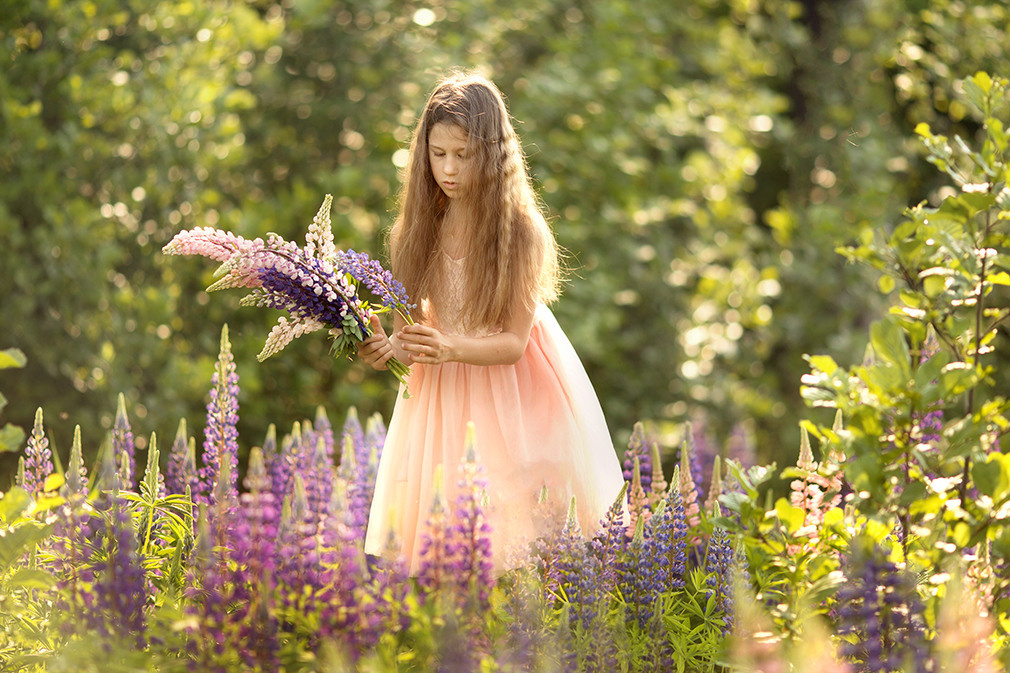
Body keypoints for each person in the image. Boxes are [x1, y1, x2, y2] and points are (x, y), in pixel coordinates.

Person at [359, 70, 623, 573]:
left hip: (513, 393)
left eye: (464, 154)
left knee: (515, 537)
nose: (449, 168)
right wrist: (384, 348)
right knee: (445, 536)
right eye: (438, 154)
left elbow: (513, 343)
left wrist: (449, 347)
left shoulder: (521, 232)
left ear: (494, 152)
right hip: (440, 397)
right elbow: (408, 338)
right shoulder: (414, 232)